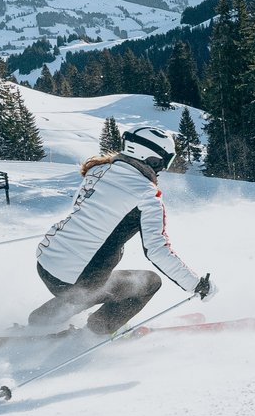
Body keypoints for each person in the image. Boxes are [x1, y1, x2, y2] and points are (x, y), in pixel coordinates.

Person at [28, 125, 214, 336]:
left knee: (101, 280)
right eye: (166, 161)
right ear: (153, 159)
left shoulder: (98, 171)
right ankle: (96, 331)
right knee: (149, 282)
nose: (163, 169)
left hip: (46, 264)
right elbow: (157, 250)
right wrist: (196, 284)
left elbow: (82, 211)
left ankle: (42, 319)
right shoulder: (147, 196)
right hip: (76, 281)